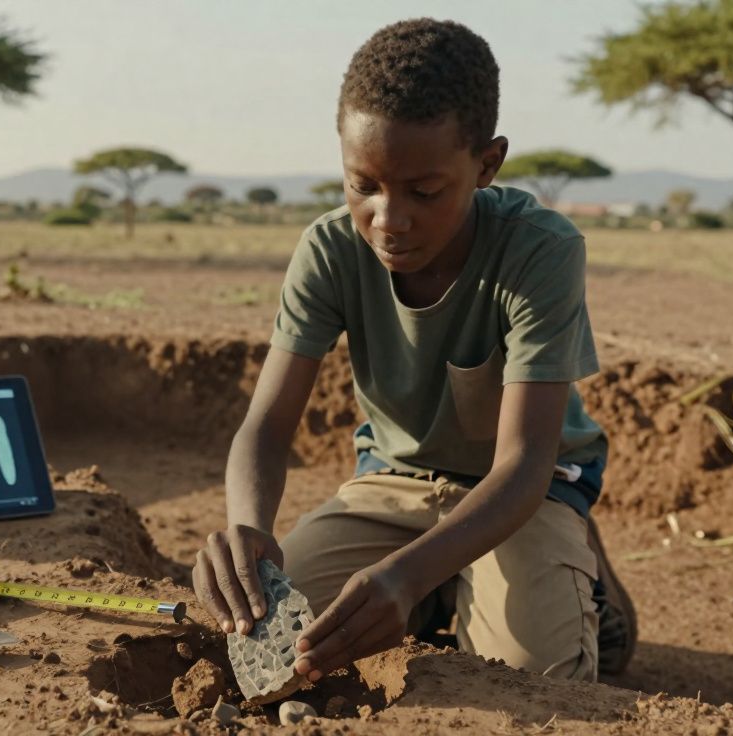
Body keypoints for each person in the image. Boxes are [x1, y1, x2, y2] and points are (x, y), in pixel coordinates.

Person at [191, 17, 635, 683]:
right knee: (280, 641)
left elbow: (523, 465)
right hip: (393, 484)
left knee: (537, 679)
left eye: (424, 193)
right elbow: (265, 426)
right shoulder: (331, 250)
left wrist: (401, 577)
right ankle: (437, 592)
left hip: (522, 496)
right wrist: (247, 528)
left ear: (486, 165)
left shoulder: (540, 249)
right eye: (362, 185)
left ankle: (570, 574)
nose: (387, 219)